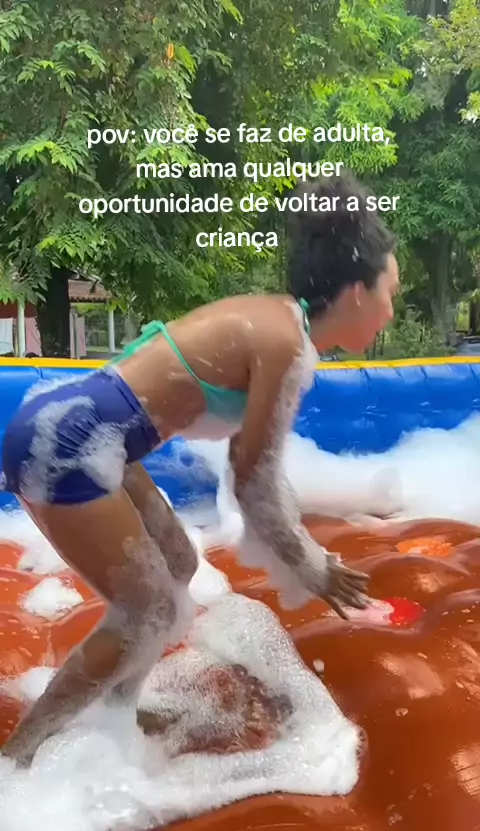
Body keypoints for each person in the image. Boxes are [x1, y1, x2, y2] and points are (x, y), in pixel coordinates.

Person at [0, 171, 399, 764]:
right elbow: (254, 483)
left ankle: (118, 711)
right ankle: (18, 760)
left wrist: (303, 554)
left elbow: (258, 469)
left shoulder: (282, 325)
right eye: (392, 292)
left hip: (87, 431)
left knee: (180, 565)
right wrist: (313, 568)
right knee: (149, 609)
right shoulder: (285, 342)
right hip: (67, 439)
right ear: (359, 292)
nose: (392, 310)